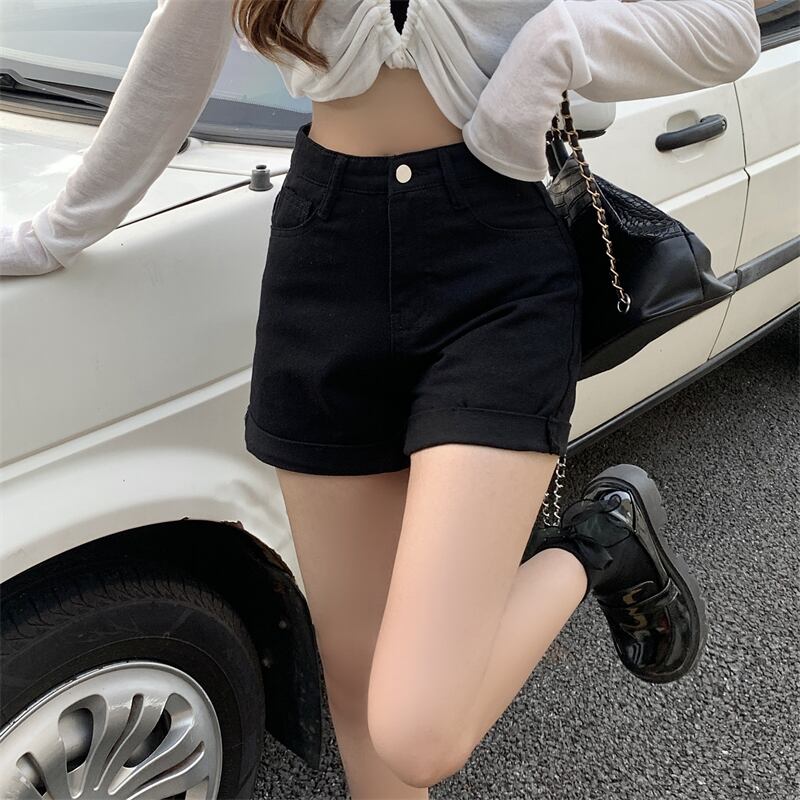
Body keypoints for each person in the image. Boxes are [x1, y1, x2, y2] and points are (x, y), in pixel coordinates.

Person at [0, 1, 762, 797]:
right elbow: (178, 48)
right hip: (324, 255)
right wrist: (55, 233)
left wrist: (555, 45)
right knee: (360, 697)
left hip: (496, 267)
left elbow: (725, 28)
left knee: (418, 731)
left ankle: (598, 542)